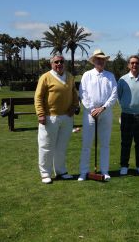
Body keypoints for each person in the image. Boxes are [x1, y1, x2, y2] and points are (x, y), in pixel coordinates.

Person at [34, 53, 79, 184]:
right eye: (56, 62)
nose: (59, 64)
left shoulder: (69, 77)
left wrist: (74, 107)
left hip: (66, 117)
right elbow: (38, 97)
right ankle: (45, 173)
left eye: (61, 62)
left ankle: (61, 171)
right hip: (49, 117)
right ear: (51, 64)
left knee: (61, 147)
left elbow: (74, 94)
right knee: (46, 146)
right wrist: (41, 114)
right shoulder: (45, 77)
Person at [78, 49, 117, 182]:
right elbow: (83, 94)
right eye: (98, 59)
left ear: (105, 61)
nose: (100, 61)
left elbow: (114, 94)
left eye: (102, 59)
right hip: (90, 114)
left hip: (106, 113)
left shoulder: (110, 76)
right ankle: (84, 172)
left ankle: (105, 171)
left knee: (105, 143)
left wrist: (103, 107)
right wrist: (92, 109)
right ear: (93, 61)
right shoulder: (86, 75)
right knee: (87, 144)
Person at [117, 55, 139, 176]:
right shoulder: (122, 80)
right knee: (125, 142)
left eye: (136, 63)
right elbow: (119, 96)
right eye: (132, 63)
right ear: (128, 65)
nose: (134, 65)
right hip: (127, 114)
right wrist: (127, 106)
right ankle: (124, 166)